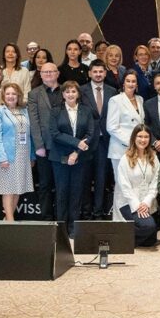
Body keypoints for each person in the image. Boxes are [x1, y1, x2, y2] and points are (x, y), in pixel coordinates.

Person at [50, 81, 93, 228]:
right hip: (60, 157)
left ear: (78, 94)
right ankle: (61, 228)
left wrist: (76, 152)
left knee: (77, 193)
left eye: (73, 91)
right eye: (67, 91)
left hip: (80, 158)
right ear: (63, 94)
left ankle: (73, 228)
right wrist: (77, 143)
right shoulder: (55, 111)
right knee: (61, 193)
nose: (70, 94)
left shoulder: (86, 111)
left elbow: (90, 134)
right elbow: (55, 134)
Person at [0, 83, 36, 222]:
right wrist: (2, 157)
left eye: (14, 94)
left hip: (24, 154)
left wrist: (32, 156)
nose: (11, 96)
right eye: (8, 94)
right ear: (3, 96)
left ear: (18, 96)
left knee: (18, 188)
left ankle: (7, 218)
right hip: (8, 155)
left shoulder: (24, 110)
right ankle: (10, 222)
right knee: (8, 189)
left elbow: (30, 135)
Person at [82, 60, 118, 220]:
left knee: (101, 179)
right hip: (85, 141)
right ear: (89, 73)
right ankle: (86, 214)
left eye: (101, 72)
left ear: (105, 73)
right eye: (95, 71)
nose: (98, 74)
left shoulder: (113, 91)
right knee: (84, 179)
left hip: (105, 142)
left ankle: (98, 214)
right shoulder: (81, 90)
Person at [28, 63, 63, 221]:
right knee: (45, 184)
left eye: (51, 71)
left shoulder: (66, 91)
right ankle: (47, 218)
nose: (48, 74)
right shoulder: (34, 94)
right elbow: (34, 122)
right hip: (44, 147)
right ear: (40, 74)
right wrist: (39, 145)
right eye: (45, 72)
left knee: (62, 184)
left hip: (63, 147)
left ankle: (61, 218)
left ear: (58, 73)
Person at [114, 125, 159, 246]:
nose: (143, 140)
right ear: (134, 138)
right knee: (149, 227)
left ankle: (129, 234)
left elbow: (155, 183)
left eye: (146, 137)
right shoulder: (125, 159)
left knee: (150, 241)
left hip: (147, 203)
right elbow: (124, 186)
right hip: (129, 203)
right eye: (140, 136)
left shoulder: (154, 157)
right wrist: (138, 205)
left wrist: (147, 202)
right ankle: (120, 240)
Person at [106, 70, 145, 193]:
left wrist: (139, 143)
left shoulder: (140, 99)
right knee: (122, 186)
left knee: (135, 185)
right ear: (123, 83)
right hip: (121, 148)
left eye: (134, 81)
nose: (131, 84)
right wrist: (131, 142)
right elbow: (111, 127)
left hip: (138, 148)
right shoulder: (115, 100)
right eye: (128, 81)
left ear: (137, 84)